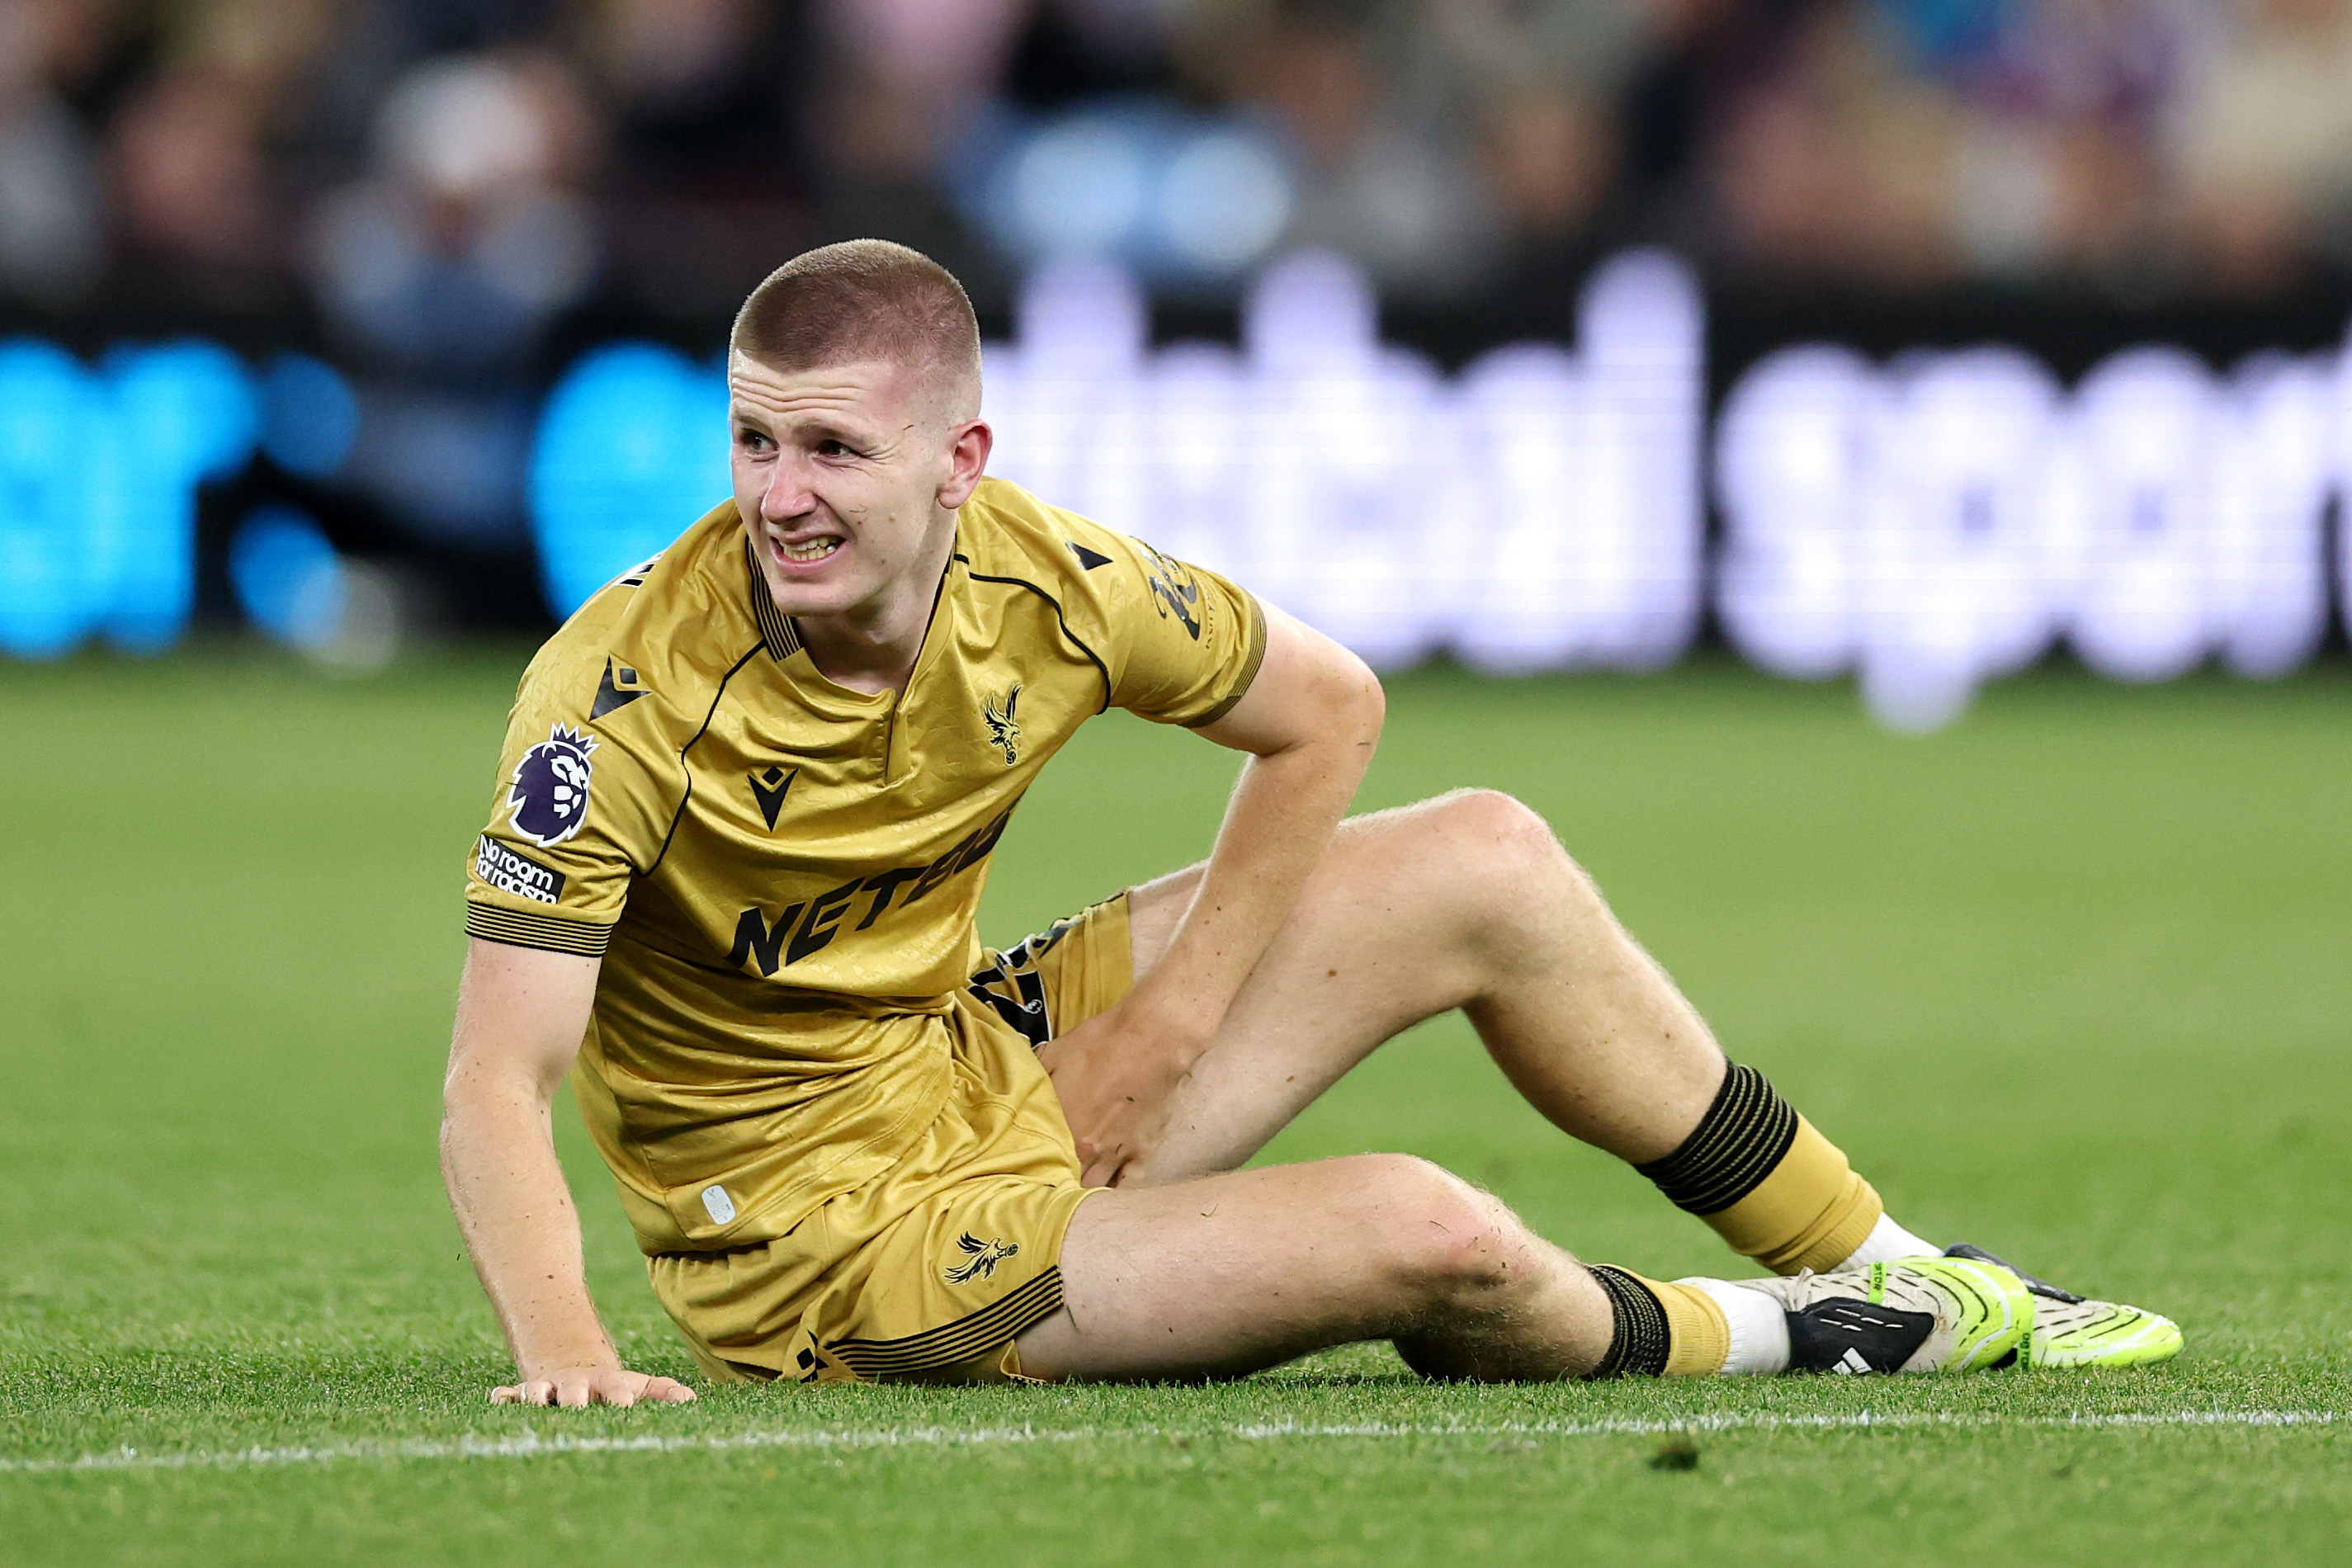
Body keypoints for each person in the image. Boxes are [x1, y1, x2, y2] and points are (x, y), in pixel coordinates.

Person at [442, 240, 2179, 1406]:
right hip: (828, 1253)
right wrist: (568, 1348)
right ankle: (1811, 1335)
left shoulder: (1044, 580)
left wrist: (1168, 1029)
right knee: (1435, 1234)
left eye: (830, 448)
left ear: (959, 460)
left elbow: (1329, 708)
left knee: (1486, 854)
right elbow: (494, 1080)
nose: (779, 496)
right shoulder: (619, 697)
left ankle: (1916, 1272)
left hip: (971, 1063)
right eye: (754, 441)